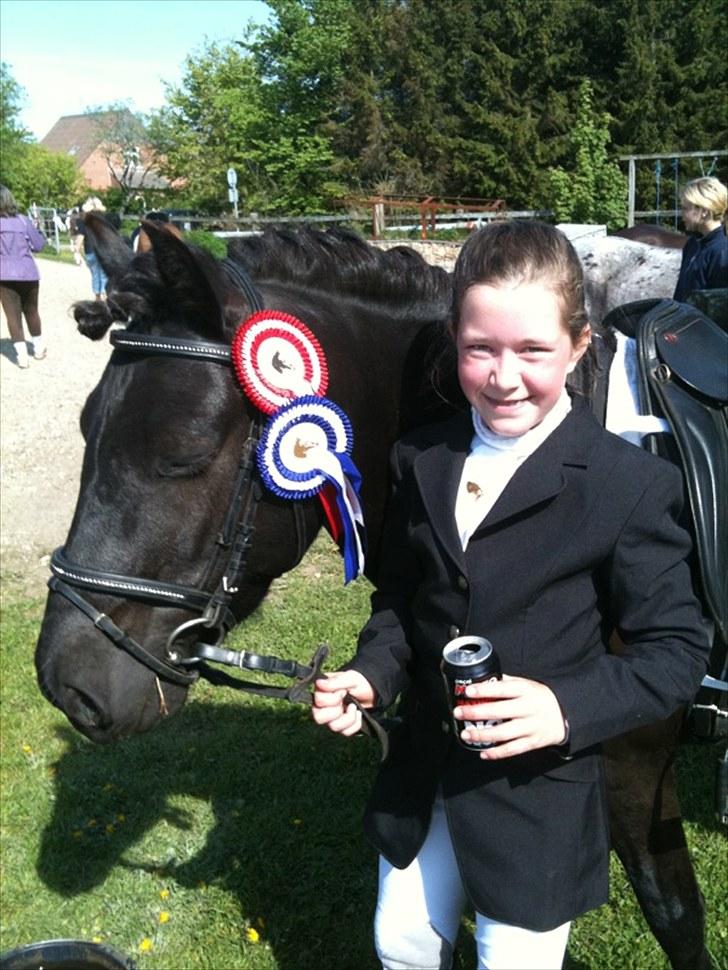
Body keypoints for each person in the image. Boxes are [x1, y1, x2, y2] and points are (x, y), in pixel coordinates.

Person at [312, 221, 710, 970]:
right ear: (454, 340)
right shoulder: (421, 458)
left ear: (580, 345)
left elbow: (676, 651)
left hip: (537, 796)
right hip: (424, 773)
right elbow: (401, 599)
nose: (503, 376)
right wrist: (372, 672)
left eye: (533, 351)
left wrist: (565, 708)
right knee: (400, 944)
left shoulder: (628, 487)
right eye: (480, 349)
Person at [0, 184, 47, 368]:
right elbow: (39, 246)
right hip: (28, 272)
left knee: (12, 315)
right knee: (32, 310)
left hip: (4, 273)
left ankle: (21, 357)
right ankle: (38, 348)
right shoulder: (23, 221)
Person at [673, 175, 728, 302]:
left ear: (704, 211)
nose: (681, 214)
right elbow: (681, 295)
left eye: (685, 208)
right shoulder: (692, 245)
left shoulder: (721, 253)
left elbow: (718, 310)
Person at [78, 197, 109, 300]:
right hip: (103, 249)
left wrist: (77, 249)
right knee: (104, 274)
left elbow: (81, 237)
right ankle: (105, 295)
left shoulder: (84, 222)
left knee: (95, 274)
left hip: (90, 250)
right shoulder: (103, 221)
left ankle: (97, 297)